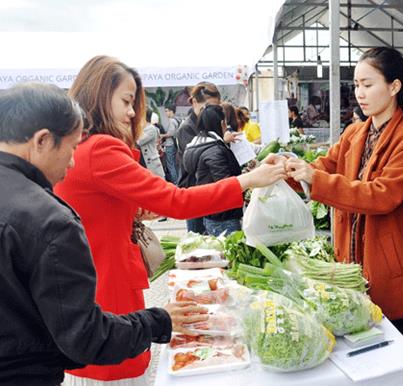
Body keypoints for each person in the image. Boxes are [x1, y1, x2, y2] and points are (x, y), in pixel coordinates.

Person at [54, 56, 286, 385]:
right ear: (99, 97)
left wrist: (129, 210)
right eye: (126, 101)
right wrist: (247, 181)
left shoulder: (82, 147)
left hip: (90, 288)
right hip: (108, 287)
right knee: (117, 372)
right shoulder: (101, 150)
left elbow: (89, 208)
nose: (133, 112)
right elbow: (177, 202)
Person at [0, 83, 206, 386]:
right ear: (42, 140)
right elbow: (84, 336)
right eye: (70, 148)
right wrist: (159, 320)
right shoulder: (50, 220)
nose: (72, 162)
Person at [281, 47, 403, 340]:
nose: (360, 93)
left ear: (394, 86)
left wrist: (315, 178)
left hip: (387, 264)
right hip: (350, 263)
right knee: (356, 349)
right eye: (357, 85)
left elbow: (381, 195)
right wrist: (288, 170)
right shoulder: (354, 132)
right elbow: (323, 166)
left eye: (368, 84)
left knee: (390, 352)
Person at [182, 104, 243, 236]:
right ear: (222, 123)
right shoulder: (214, 150)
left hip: (211, 214)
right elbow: (225, 186)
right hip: (224, 216)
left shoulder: (196, 145)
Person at [137, 110, 165, 179]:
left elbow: (139, 141)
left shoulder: (151, 129)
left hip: (151, 163)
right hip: (144, 161)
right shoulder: (143, 128)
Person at [162, 104, 181, 184]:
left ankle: (175, 183)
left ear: (171, 111)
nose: (166, 113)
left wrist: (162, 135)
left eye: (166, 111)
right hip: (174, 144)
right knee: (173, 164)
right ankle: (177, 181)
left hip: (170, 144)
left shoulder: (172, 120)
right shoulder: (177, 120)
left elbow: (171, 133)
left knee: (170, 165)